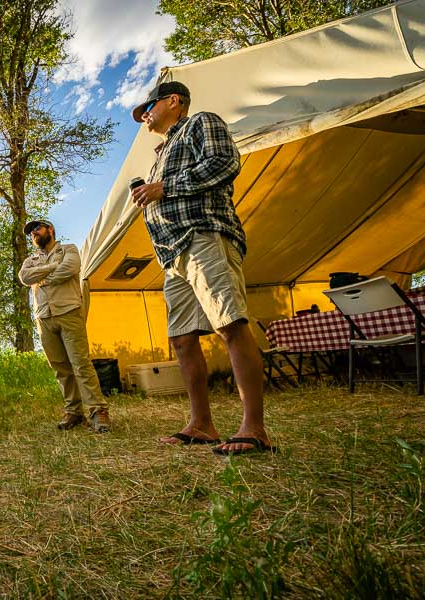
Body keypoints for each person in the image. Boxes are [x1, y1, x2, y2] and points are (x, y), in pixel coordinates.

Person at [130, 81, 274, 455]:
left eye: (149, 107)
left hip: (203, 235)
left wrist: (164, 188)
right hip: (173, 254)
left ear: (174, 101)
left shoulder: (200, 124)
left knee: (229, 323)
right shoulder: (160, 152)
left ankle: (254, 428)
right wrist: (150, 194)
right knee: (181, 339)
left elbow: (225, 163)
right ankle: (201, 425)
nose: (145, 115)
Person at [19, 219, 111, 433]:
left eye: (37, 228)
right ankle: (74, 412)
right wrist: (51, 267)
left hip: (69, 311)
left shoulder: (69, 249)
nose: (33, 233)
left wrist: (44, 277)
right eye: (31, 232)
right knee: (60, 367)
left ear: (50, 229)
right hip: (44, 317)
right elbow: (25, 277)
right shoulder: (30, 260)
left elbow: (70, 268)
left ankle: (98, 411)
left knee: (80, 363)